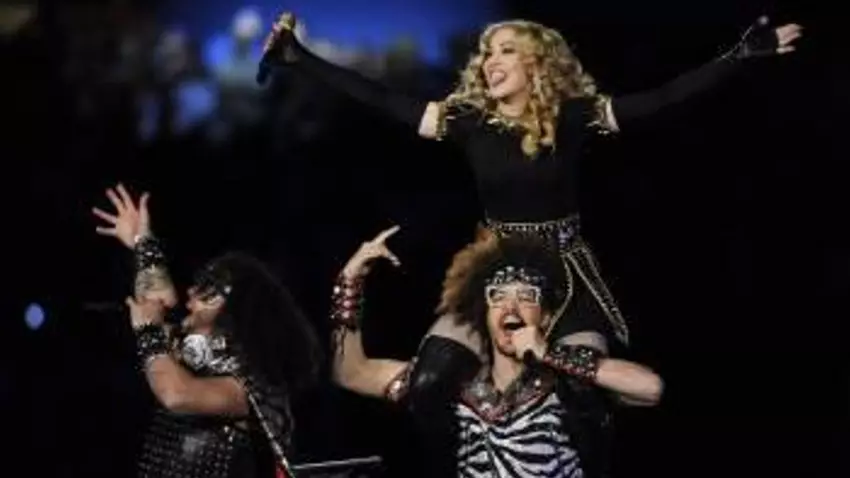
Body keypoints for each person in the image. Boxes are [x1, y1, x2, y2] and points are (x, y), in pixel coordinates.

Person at [261, 12, 803, 357]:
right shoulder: (467, 120)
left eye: (505, 50)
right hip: (493, 268)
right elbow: (379, 97)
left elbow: (663, 99)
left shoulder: (575, 116)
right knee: (435, 373)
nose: (489, 62)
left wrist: (736, 57)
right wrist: (299, 58)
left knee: (581, 388)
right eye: (487, 53)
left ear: (536, 64)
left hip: (564, 275)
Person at [330, 225, 663, 477]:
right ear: (485, 314)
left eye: (526, 297)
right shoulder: (461, 388)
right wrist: (349, 282)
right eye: (498, 297)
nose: (511, 307)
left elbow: (650, 388)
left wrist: (550, 355)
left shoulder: (562, 383)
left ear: (545, 318)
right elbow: (351, 373)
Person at [92, 183, 322, 478]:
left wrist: (148, 331)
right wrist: (142, 242)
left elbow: (175, 394)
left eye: (207, 288)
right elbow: (157, 303)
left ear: (235, 309)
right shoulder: (193, 355)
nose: (191, 292)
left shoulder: (252, 386)